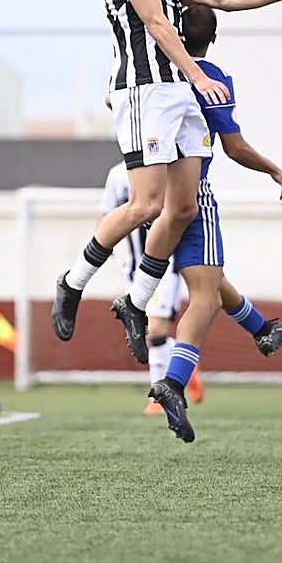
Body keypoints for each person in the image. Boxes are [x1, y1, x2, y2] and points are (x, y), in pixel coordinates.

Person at [53, 0, 282, 364]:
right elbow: (158, 24)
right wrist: (197, 74)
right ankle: (73, 282)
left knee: (181, 209)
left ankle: (135, 304)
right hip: (146, 92)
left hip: (176, 95)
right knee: (145, 205)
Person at [139, 4, 282, 441]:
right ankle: (173, 383)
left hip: (153, 202)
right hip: (194, 198)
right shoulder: (209, 76)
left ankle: (263, 329)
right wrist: (275, 169)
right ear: (212, 38)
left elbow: (114, 99)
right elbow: (233, 146)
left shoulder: (154, 74)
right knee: (205, 299)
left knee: (210, 280)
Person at [100, 160, 203, 412]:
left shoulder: (168, 170)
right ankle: (186, 362)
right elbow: (107, 216)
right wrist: (101, 247)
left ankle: (157, 398)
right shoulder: (116, 175)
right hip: (133, 270)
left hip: (165, 267)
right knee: (145, 334)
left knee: (154, 331)